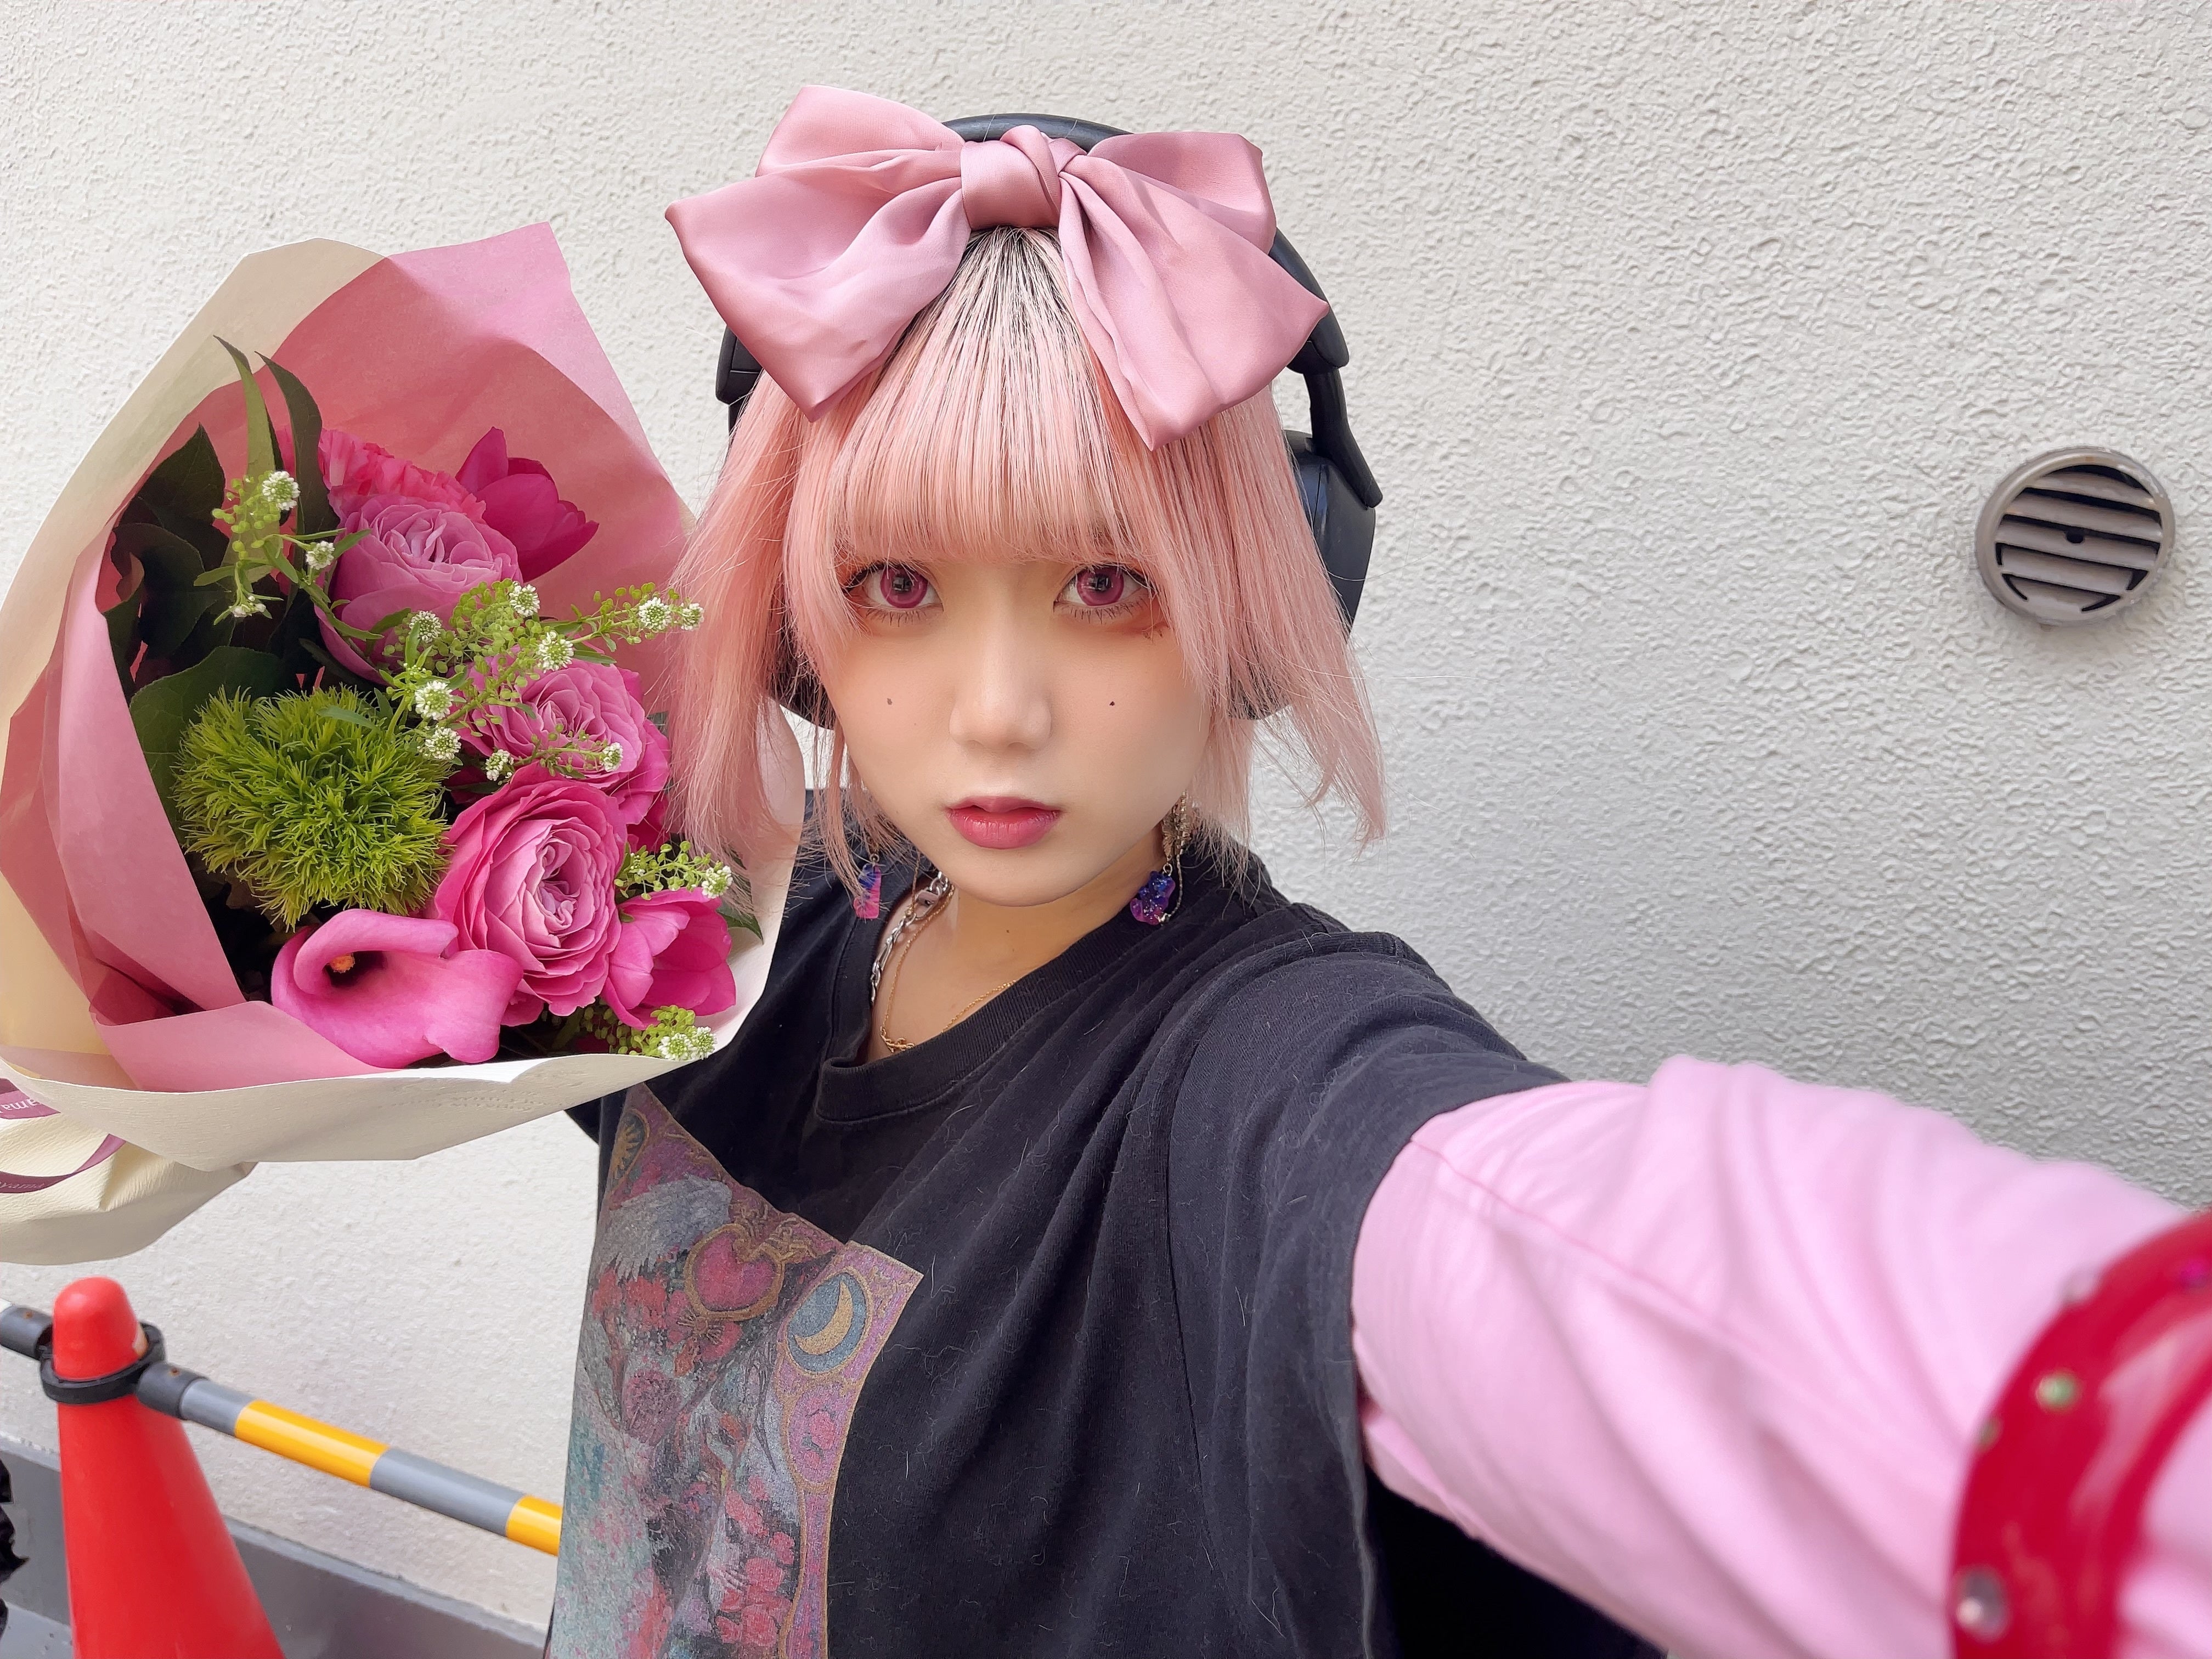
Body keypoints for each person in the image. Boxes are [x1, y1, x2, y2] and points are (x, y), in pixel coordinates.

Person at [549, 87, 2210, 1659]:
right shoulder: (771, 921)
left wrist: (2122, 1464)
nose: (999, 714)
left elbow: (1630, 1273)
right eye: (899, 585)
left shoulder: (1263, 1079)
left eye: (1110, 585)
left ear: (1266, 601)